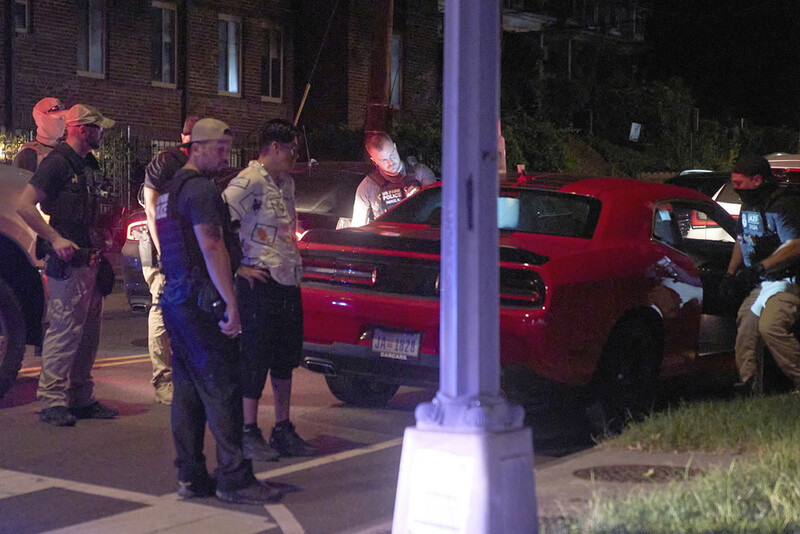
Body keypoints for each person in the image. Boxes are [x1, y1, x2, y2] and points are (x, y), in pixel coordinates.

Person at [155, 117, 280, 504]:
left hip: (175, 298)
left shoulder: (169, 192)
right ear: (197, 148)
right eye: (220, 149)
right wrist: (231, 302)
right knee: (223, 388)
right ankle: (234, 478)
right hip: (200, 302)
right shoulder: (202, 191)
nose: (226, 157)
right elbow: (212, 246)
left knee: (187, 391)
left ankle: (191, 476)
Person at [16, 104, 119, 427]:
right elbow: (24, 205)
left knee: (88, 334)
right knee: (64, 330)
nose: (102, 133)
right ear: (82, 129)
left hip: (91, 259)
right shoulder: (58, 163)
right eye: (97, 128)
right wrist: (55, 238)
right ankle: (52, 400)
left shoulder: (88, 164)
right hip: (68, 261)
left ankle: (80, 397)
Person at [222, 119, 316, 461]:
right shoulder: (249, 181)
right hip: (259, 281)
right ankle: (248, 431)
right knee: (255, 357)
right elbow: (219, 219)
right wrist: (238, 266)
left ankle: (282, 428)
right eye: (291, 149)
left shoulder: (286, 184)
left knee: (285, 357)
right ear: (274, 147)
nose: (295, 155)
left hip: (287, 278)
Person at [721, 154, 800, 394]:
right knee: (746, 327)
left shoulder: (783, 206)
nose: (736, 188)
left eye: (739, 183)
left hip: (788, 282)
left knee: (770, 326)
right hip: (763, 282)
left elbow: (795, 246)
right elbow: (742, 239)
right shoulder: (749, 205)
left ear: (756, 180)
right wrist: (730, 273)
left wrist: (761, 267)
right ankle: (750, 387)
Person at [140, 114, 201, 405]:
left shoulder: (196, 165)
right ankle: (163, 382)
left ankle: (183, 379)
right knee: (161, 310)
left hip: (183, 248)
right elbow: (151, 210)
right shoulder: (166, 161)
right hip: (162, 248)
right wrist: (165, 252)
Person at [350, 132, 437, 227]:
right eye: (383, 160)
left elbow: (435, 216)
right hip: (385, 235)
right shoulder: (367, 186)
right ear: (374, 161)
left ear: (395, 147)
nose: (390, 162)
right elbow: (357, 226)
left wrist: (419, 198)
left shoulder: (421, 173)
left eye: (392, 154)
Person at [13, 97, 67, 172]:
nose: (63, 122)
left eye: (63, 118)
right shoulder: (29, 153)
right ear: (43, 120)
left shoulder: (66, 149)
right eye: (59, 118)